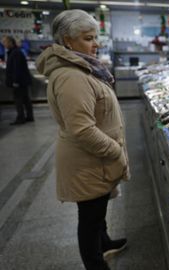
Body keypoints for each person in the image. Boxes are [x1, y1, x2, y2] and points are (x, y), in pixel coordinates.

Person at [35, 10, 129, 270]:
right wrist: (115, 150)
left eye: (95, 37)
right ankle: (95, 264)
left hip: (94, 160)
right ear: (67, 41)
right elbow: (82, 129)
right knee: (89, 218)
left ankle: (106, 242)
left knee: (98, 211)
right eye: (88, 38)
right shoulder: (70, 77)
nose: (95, 44)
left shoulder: (80, 66)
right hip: (89, 161)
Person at [2, 35, 34, 125]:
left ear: (10, 42)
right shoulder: (15, 52)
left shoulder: (15, 53)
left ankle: (21, 118)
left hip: (19, 82)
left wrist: (15, 81)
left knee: (18, 100)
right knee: (25, 99)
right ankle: (29, 116)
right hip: (22, 81)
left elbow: (17, 69)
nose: (3, 44)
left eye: (5, 42)